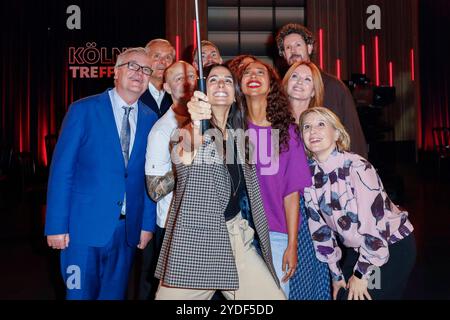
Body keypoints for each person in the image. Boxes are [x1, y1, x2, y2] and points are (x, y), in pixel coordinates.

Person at [154, 64, 285, 300]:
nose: (221, 83)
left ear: (235, 94)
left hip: (236, 238)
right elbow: (186, 145)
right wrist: (195, 122)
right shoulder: (188, 131)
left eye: (227, 80)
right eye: (213, 79)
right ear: (201, 93)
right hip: (197, 246)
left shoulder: (238, 138)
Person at [45, 47, 158, 300]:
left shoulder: (151, 119)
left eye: (146, 70)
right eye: (132, 66)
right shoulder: (82, 110)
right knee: (78, 296)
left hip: (126, 232)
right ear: (116, 72)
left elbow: (148, 176)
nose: (139, 73)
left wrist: (146, 224)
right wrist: (55, 225)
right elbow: (62, 171)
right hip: (81, 231)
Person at [299, 107, 416, 300]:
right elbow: (320, 230)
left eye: (321, 124)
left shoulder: (357, 167)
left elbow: (374, 227)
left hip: (390, 247)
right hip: (360, 249)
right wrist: (336, 275)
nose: (313, 131)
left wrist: (361, 274)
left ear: (337, 133)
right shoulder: (310, 176)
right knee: (343, 293)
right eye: (306, 127)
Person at [236, 59, 311, 298]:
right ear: (240, 85)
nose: (254, 75)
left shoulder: (288, 133)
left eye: (261, 72)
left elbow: (292, 195)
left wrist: (292, 243)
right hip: (237, 233)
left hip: (275, 234)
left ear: (271, 86)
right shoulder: (232, 129)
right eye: (247, 72)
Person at [144, 61, 196, 299]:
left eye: (192, 77)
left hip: (207, 224)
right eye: (179, 79)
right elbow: (154, 190)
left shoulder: (207, 123)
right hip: (175, 227)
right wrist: (187, 164)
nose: (187, 84)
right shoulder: (161, 130)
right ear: (166, 87)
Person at [276, 23, 368, 158]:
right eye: (288, 47)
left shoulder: (334, 87)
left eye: (298, 45)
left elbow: (352, 133)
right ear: (284, 54)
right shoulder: (280, 91)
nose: (293, 51)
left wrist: (358, 170)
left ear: (309, 47)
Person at [282, 61, 331, 300]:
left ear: (314, 90)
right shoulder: (271, 121)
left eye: (307, 79)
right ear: (285, 83)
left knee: (310, 275)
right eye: (294, 77)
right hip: (276, 207)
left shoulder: (321, 124)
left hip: (311, 210)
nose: (299, 83)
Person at [140, 39, 175, 118]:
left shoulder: (177, 95)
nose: (162, 62)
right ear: (145, 60)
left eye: (167, 57)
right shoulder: (135, 93)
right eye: (157, 56)